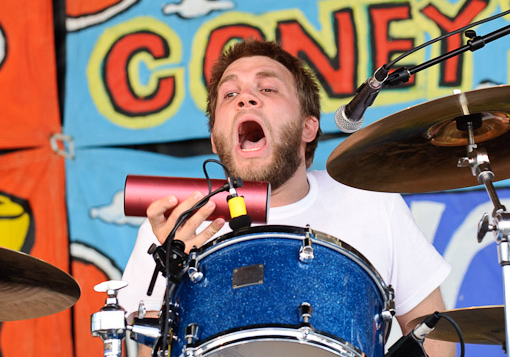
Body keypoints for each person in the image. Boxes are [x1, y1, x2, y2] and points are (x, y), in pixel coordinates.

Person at [119, 40, 455, 357]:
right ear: (214, 139)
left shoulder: (371, 203)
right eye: (230, 93)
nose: (245, 99)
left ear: (308, 127)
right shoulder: (174, 227)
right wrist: (174, 279)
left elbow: (433, 328)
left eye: (267, 89)